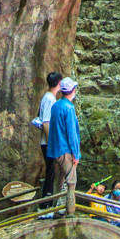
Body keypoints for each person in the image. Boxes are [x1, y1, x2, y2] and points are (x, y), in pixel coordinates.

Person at [44, 75, 80, 216]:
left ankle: (57, 210)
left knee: (59, 182)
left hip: (55, 150)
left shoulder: (56, 106)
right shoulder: (69, 108)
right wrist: (76, 154)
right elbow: (72, 134)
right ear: (72, 90)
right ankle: (69, 212)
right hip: (66, 150)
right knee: (71, 182)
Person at [32, 71, 62, 202]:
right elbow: (46, 122)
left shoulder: (48, 97)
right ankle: (46, 203)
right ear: (59, 83)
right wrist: (52, 142)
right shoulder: (49, 99)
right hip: (47, 142)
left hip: (46, 142)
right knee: (50, 173)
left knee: (50, 172)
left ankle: (47, 201)